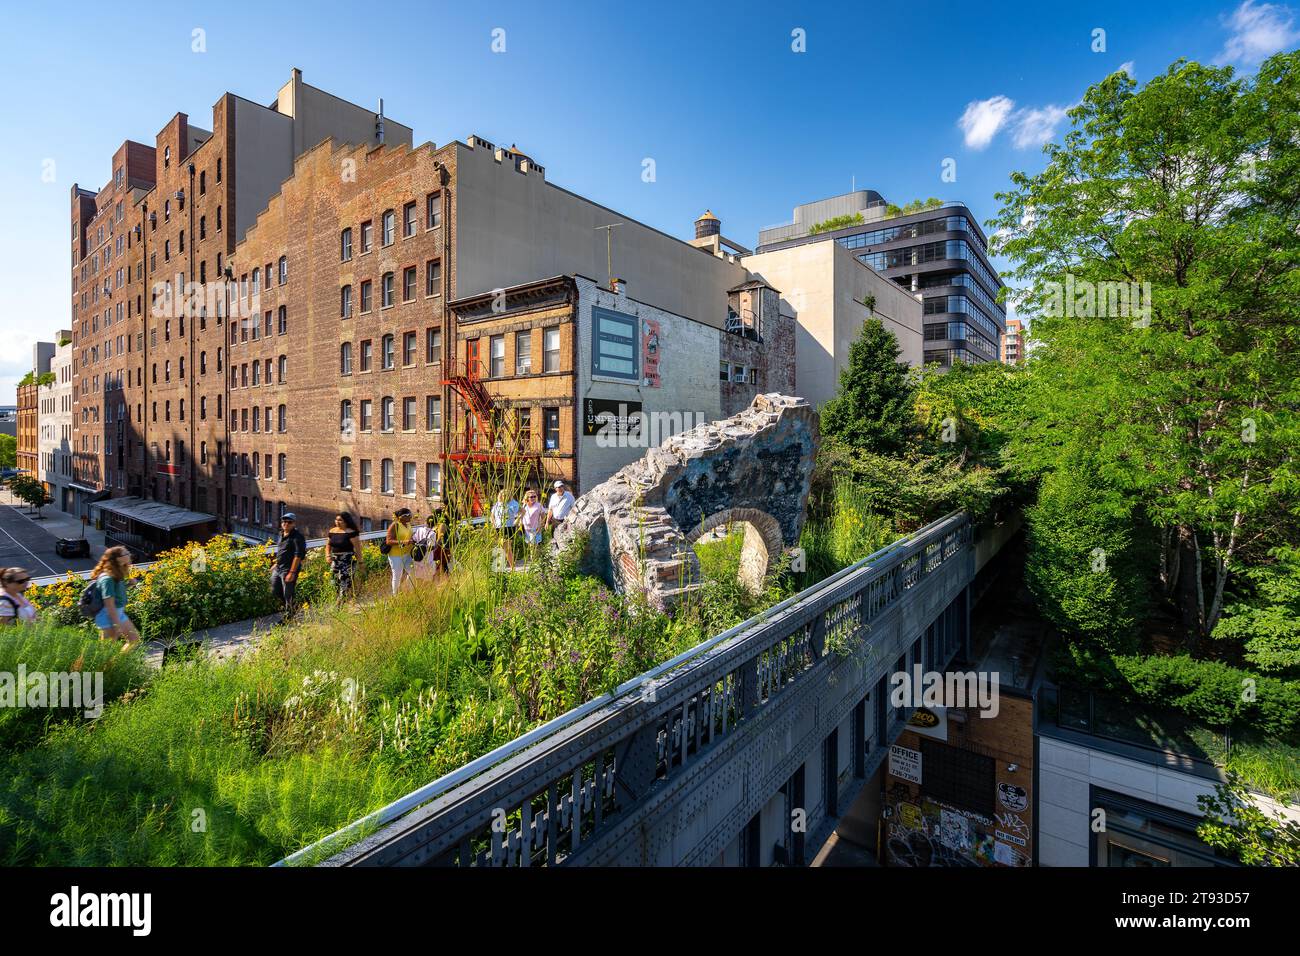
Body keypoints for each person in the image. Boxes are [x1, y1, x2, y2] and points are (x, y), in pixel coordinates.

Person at [91, 546, 140, 645]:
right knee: (106, 651)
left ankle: (117, 661)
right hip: (108, 615)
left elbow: (116, 593)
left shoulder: (117, 573)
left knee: (134, 640)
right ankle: (111, 661)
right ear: (117, 559)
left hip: (118, 613)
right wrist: (116, 624)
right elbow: (109, 604)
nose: (129, 555)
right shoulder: (108, 579)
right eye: (126, 554)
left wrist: (129, 581)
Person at [272, 512, 307, 623]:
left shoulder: (297, 537)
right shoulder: (281, 534)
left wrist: (292, 572)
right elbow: (282, 551)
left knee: (288, 593)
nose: (286, 523)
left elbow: (298, 555)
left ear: (294, 524)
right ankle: (293, 607)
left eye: (289, 522)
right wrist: (276, 563)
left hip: (289, 569)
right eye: (284, 521)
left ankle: (288, 616)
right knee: (275, 590)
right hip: (279, 568)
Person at [324, 512, 360, 601]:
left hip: (347, 560)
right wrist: (327, 555)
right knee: (333, 580)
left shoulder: (351, 533)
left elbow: (358, 549)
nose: (337, 522)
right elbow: (328, 545)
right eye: (336, 520)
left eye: (340, 520)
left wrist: (361, 562)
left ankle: (341, 601)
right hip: (335, 560)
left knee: (344, 580)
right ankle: (344, 597)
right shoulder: (332, 531)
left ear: (346, 521)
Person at [385, 507, 415, 594]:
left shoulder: (408, 524)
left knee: (413, 572)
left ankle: (409, 591)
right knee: (397, 576)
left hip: (408, 553)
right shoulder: (395, 525)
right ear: (401, 517)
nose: (410, 517)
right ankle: (395, 595)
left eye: (411, 515)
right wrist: (405, 542)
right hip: (396, 555)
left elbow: (409, 536)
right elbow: (389, 541)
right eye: (408, 515)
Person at [490, 489, 520, 570]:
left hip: (509, 526)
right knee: (504, 547)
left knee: (506, 547)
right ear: (500, 496)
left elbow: (522, 511)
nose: (505, 496)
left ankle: (512, 567)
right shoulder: (497, 504)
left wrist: (517, 519)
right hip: (499, 527)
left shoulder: (513, 503)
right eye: (503, 495)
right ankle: (508, 566)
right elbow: (492, 515)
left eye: (507, 495)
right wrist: (493, 524)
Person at [521, 487, 546, 557]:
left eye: (534, 496)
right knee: (530, 544)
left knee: (534, 545)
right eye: (531, 497)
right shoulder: (524, 506)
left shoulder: (538, 505)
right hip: (526, 529)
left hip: (535, 528)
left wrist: (540, 527)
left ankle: (534, 559)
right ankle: (535, 558)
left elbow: (543, 517)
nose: (533, 498)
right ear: (527, 498)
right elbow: (521, 516)